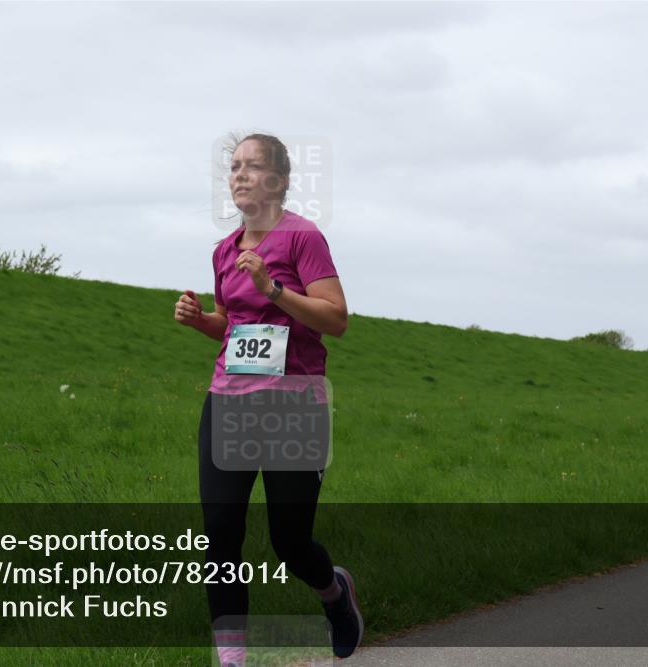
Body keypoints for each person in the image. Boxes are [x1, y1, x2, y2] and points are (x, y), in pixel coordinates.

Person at [174, 133, 363, 666]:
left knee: (290, 543)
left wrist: (275, 288)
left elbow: (337, 320)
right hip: (228, 401)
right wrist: (201, 322)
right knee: (221, 541)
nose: (238, 175)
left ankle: (335, 593)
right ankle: (232, 661)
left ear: (278, 181)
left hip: (294, 405)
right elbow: (238, 330)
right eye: (233, 167)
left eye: (252, 167)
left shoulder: (303, 238)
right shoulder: (224, 250)